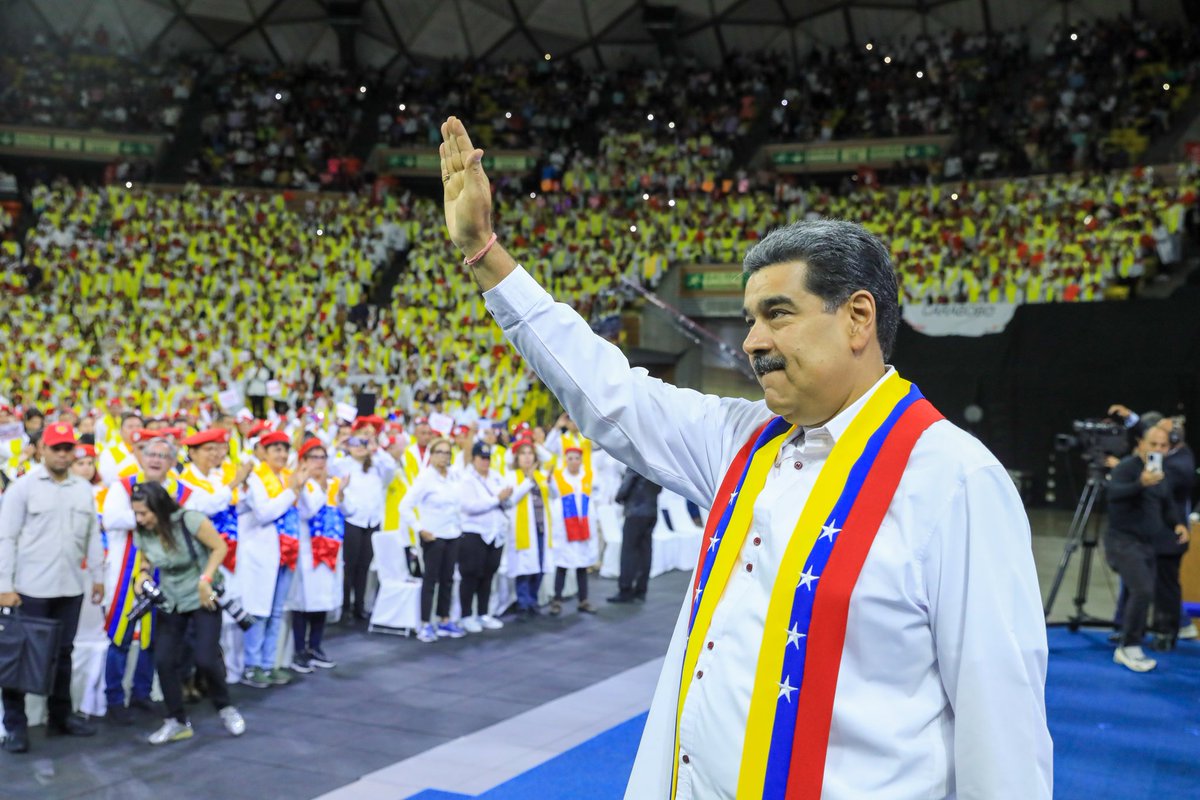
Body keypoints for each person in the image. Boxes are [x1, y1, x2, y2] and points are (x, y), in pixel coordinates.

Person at [439, 116, 1052, 798]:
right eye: (751, 316)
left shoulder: (952, 478)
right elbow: (609, 393)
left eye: (778, 313)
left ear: (857, 318)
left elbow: (1004, 732)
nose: (752, 340)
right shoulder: (744, 440)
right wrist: (487, 255)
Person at [0, 423, 103, 754]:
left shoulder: (83, 489)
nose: (62, 454)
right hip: (30, 588)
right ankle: (15, 726)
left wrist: (98, 576)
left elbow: (91, 535)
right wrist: (4, 585)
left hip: (70, 586)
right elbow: (6, 538)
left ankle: (60, 717)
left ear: (75, 450)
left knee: (64, 654)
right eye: (56, 447)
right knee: (18, 658)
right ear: (42, 448)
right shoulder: (22, 488)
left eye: (67, 448)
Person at [128, 481, 246, 744]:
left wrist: (206, 578)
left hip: (203, 596)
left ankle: (225, 707)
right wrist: (143, 574)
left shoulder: (189, 520)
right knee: (164, 660)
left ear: (158, 508)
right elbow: (146, 558)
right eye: (136, 513)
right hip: (171, 599)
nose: (140, 518)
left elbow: (219, 547)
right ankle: (177, 721)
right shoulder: (143, 532)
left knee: (205, 658)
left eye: (144, 513)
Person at [100, 432, 201, 725]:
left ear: (172, 461)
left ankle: (142, 694)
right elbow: (112, 519)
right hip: (125, 571)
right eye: (150, 454)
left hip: (167, 572)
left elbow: (190, 526)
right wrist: (157, 516)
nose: (156, 460)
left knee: (153, 637)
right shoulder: (123, 486)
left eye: (162, 456)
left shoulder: (185, 491)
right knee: (119, 635)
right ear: (140, 457)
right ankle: (114, 699)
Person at [1106, 425, 1189, 670]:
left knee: (1140, 591)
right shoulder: (1126, 468)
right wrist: (1140, 484)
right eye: (1153, 444)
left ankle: (1129, 639)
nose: (1158, 450)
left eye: (1163, 446)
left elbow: (1167, 503)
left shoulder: (1161, 473)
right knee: (1143, 590)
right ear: (1141, 443)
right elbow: (1113, 494)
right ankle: (1129, 646)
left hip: (1147, 544)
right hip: (1122, 542)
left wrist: (1178, 524)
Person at [241, 431, 305, 689]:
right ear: (262, 453)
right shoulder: (255, 479)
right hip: (262, 551)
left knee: (277, 611)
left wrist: (299, 486)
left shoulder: (288, 477)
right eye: (275, 449)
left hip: (287, 550)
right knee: (259, 610)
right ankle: (252, 665)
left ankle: (270, 663)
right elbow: (265, 513)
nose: (280, 454)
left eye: (284, 450)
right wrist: (291, 492)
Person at [398, 437, 464, 642]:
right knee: (430, 580)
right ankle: (425, 623)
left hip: (452, 534)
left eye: (447, 452)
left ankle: (444, 619)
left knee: (448, 579)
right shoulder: (426, 478)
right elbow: (405, 506)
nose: (444, 456)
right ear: (432, 455)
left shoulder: (453, 476)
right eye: (440, 452)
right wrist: (420, 529)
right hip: (433, 536)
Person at [330, 430, 393, 622]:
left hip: (372, 521)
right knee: (350, 565)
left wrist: (377, 447)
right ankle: (345, 606)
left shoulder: (376, 466)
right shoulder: (343, 465)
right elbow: (328, 465)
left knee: (364, 565)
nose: (359, 447)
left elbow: (391, 468)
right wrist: (338, 446)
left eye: (363, 443)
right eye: (355, 443)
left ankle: (359, 605)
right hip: (352, 520)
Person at [291, 439, 343, 671]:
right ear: (303, 461)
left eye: (323, 458)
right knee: (303, 601)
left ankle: (316, 646)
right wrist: (324, 488)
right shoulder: (302, 484)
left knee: (322, 600)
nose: (320, 463)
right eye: (314, 458)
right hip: (307, 550)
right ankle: (299, 650)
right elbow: (308, 510)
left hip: (330, 548)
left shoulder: (332, 483)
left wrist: (340, 492)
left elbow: (348, 510)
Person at [458, 441, 510, 632]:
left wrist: (506, 498)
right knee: (470, 574)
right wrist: (497, 499)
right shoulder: (467, 480)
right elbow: (470, 506)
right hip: (474, 532)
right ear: (473, 459)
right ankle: (465, 615)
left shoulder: (496, 477)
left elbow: (507, 501)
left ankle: (482, 613)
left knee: (488, 574)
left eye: (488, 458)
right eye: (482, 458)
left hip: (495, 533)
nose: (485, 462)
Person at [546, 445, 600, 615]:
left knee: (582, 565)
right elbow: (552, 495)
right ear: (565, 460)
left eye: (577, 458)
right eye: (570, 458)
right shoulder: (557, 477)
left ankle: (583, 600)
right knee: (562, 564)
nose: (574, 462)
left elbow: (596, 494)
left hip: (583, 527)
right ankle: (557, 600)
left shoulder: (589, 476)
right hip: (564, 529)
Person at [504, 437, 552, 617]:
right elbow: (510, 501)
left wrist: (549, 479)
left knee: (539, 566)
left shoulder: (541, 475)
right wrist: (528, 480)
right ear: (516, 458)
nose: (527, 457)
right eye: (522, 454)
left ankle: (533, 600)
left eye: (530, 453)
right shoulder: (511, 476)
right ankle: (523, 602)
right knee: (523, 567)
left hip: (541, 527)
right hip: (521, 530)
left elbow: (553, 495)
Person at [609, 467, 663, 604]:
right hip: (651, 510)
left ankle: (625, 590)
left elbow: (627, 483)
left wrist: (619, 497)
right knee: (645, 551)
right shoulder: (658, 461)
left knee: (629, 552)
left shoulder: (636, 458)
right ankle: (641, 590)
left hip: (635, 511)